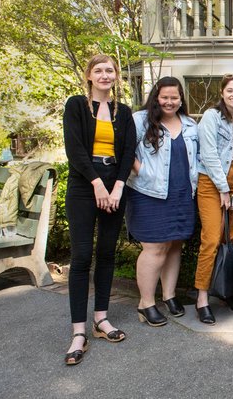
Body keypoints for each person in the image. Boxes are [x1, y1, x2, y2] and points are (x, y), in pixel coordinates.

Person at [63, 54, 136, 365]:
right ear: (89, 75)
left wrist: (118, 185)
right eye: (99, 70)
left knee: (107, 252)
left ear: (116, 76)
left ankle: (101, 320)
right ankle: (78, 331)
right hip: (84, 183)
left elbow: (128, 149)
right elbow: (74, 148)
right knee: (81, 256)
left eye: (110, 70)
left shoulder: (125, 112)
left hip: (114, 182)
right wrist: (96, 183)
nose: (105, 75)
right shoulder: (77, 105)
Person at [126, 77, 198, 328]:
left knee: (174, 245)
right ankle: (146, 303)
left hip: (181, 193)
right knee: (155, 248)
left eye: (174, 97)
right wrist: (142, 170)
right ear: (156, 97)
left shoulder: (189, 124)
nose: (169, 102)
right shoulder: (140, 120)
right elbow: (125, 150)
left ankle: (169, 295)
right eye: (165, 97)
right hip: (149, 193)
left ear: (181, 99)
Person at [194, 74, 233, 324]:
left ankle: (227, 290)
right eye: (230, 90)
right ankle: (202, 298)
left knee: (232, 237)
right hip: (212, 184)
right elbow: (208, 154)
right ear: (222, 93)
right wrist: (222, 189)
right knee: (211, 239)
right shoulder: (211, 117)